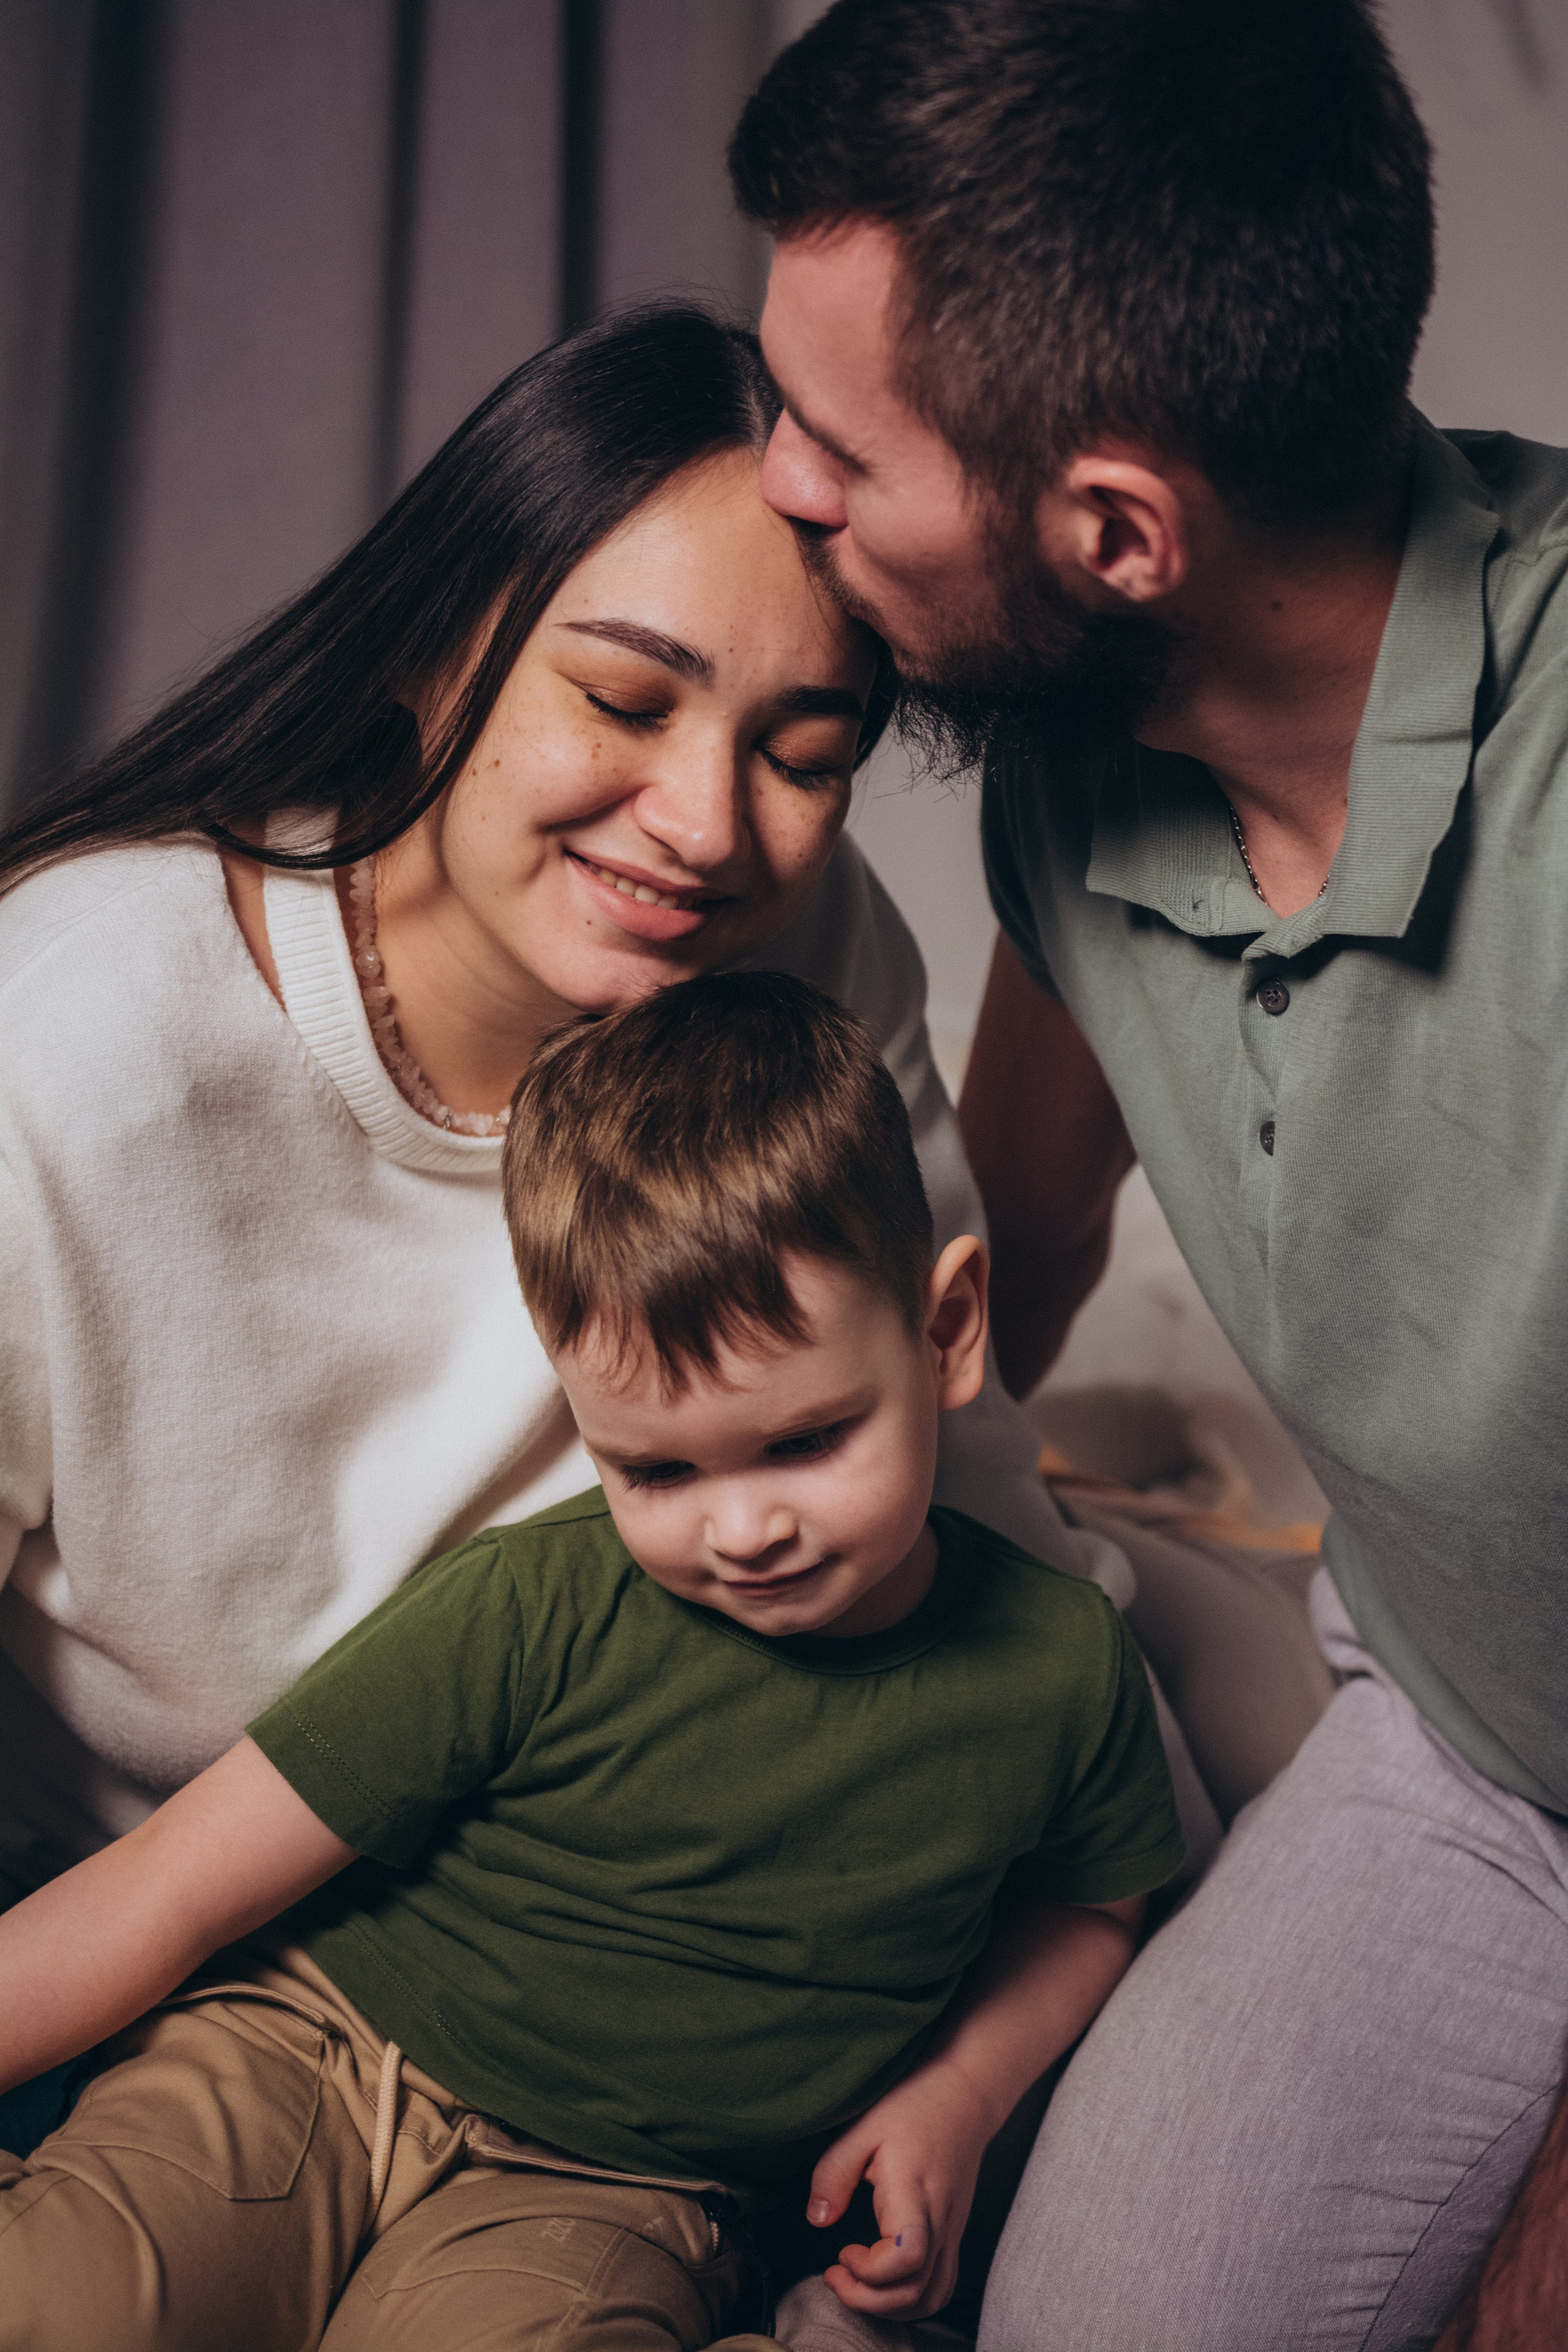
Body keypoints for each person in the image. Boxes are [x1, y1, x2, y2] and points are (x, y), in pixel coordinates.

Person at [728, 3, 1568, 2348]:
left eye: (831, 441)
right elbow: (1025, 1226)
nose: (777, 483)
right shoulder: (1070, 788)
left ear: (1113, 534)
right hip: (1473, 1742)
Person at [0, 303, 1175, 1971]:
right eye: (624, 701)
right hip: (168, 1933)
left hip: (615, 1909)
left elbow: (960, 1482)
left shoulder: (806, 941)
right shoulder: (72, 1030)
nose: (703, 827)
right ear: (427, 653)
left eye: (801, 753)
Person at [0, 971, 1182, 2352]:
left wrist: (961, 2098)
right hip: (302, 2053)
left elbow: (1092, 1906)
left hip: (618, 2191)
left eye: (807, 1441)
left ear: (945, 1331)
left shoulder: (1059, 1668)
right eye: (657, 1468)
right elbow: (172, 1887)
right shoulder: (531, 1607)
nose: (745, 1530)